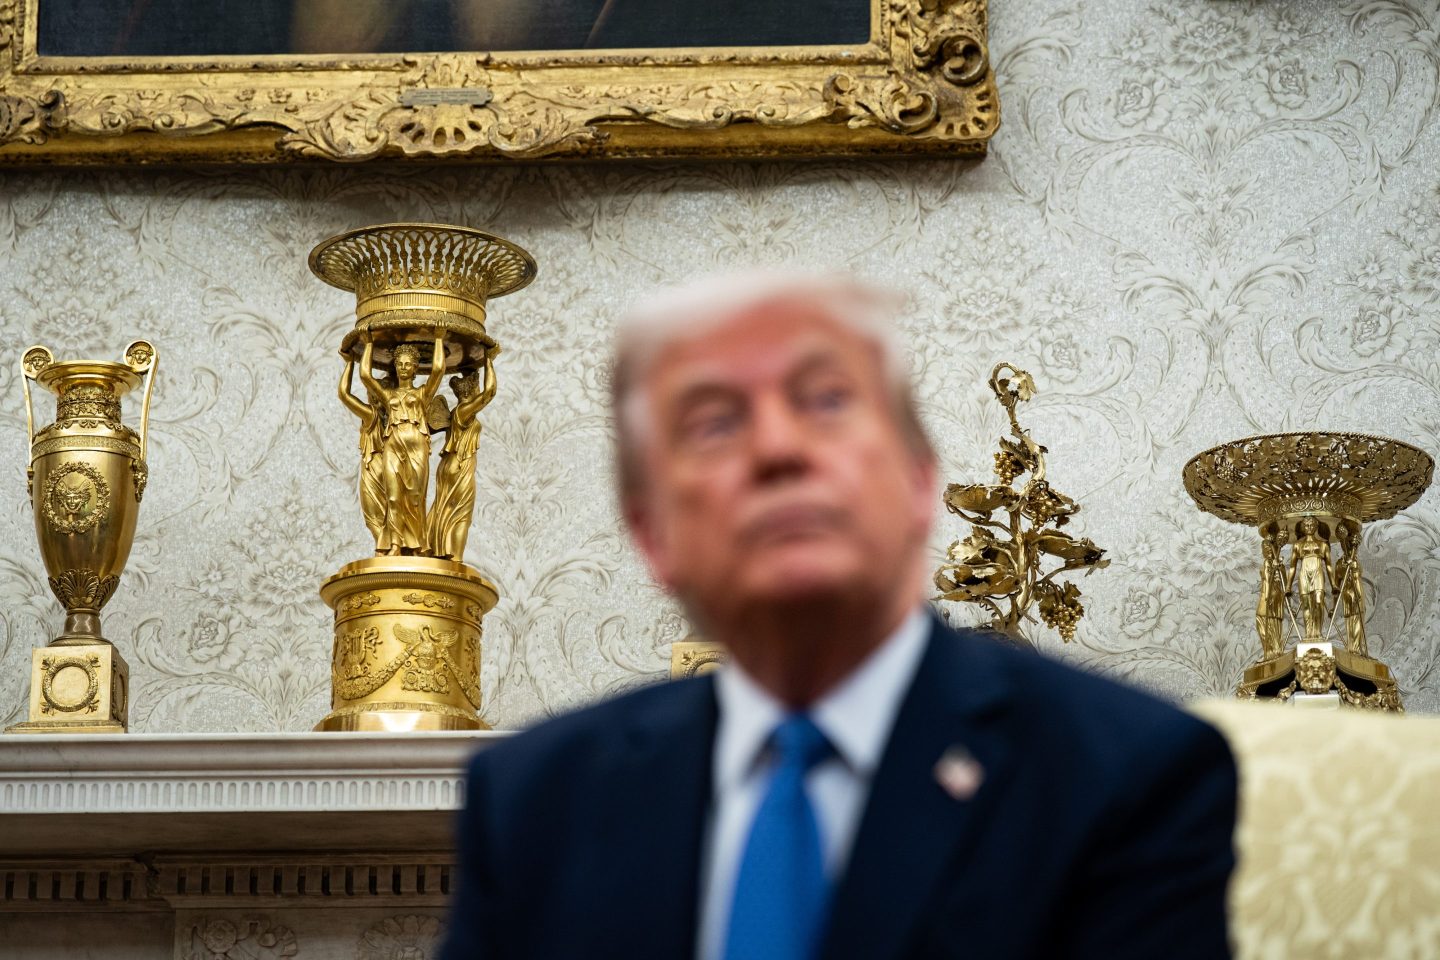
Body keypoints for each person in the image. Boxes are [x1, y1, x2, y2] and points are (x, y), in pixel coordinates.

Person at [441, 272, 1237, 960]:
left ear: (923, 485)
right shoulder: (534, 804)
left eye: (826, 400)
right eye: (714, 423)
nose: (778, 448)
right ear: (653, 537)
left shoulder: (1125, 775)